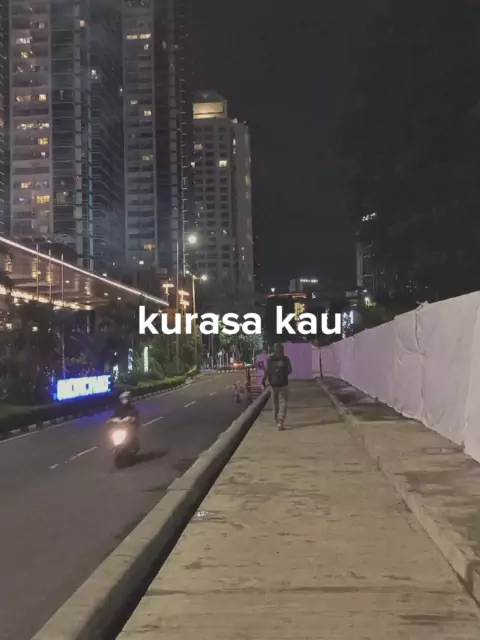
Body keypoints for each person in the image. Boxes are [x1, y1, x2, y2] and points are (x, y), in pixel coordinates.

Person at [262, 343, 292, 430]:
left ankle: (276, 420)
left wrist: (263, 381)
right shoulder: (286, 359)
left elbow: (267, 371)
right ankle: (280, 421)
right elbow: (290, 370)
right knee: (283, 403)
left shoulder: (269, 359)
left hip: (273, 385)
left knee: (275, 403)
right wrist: (283, 371)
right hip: (284, 384)